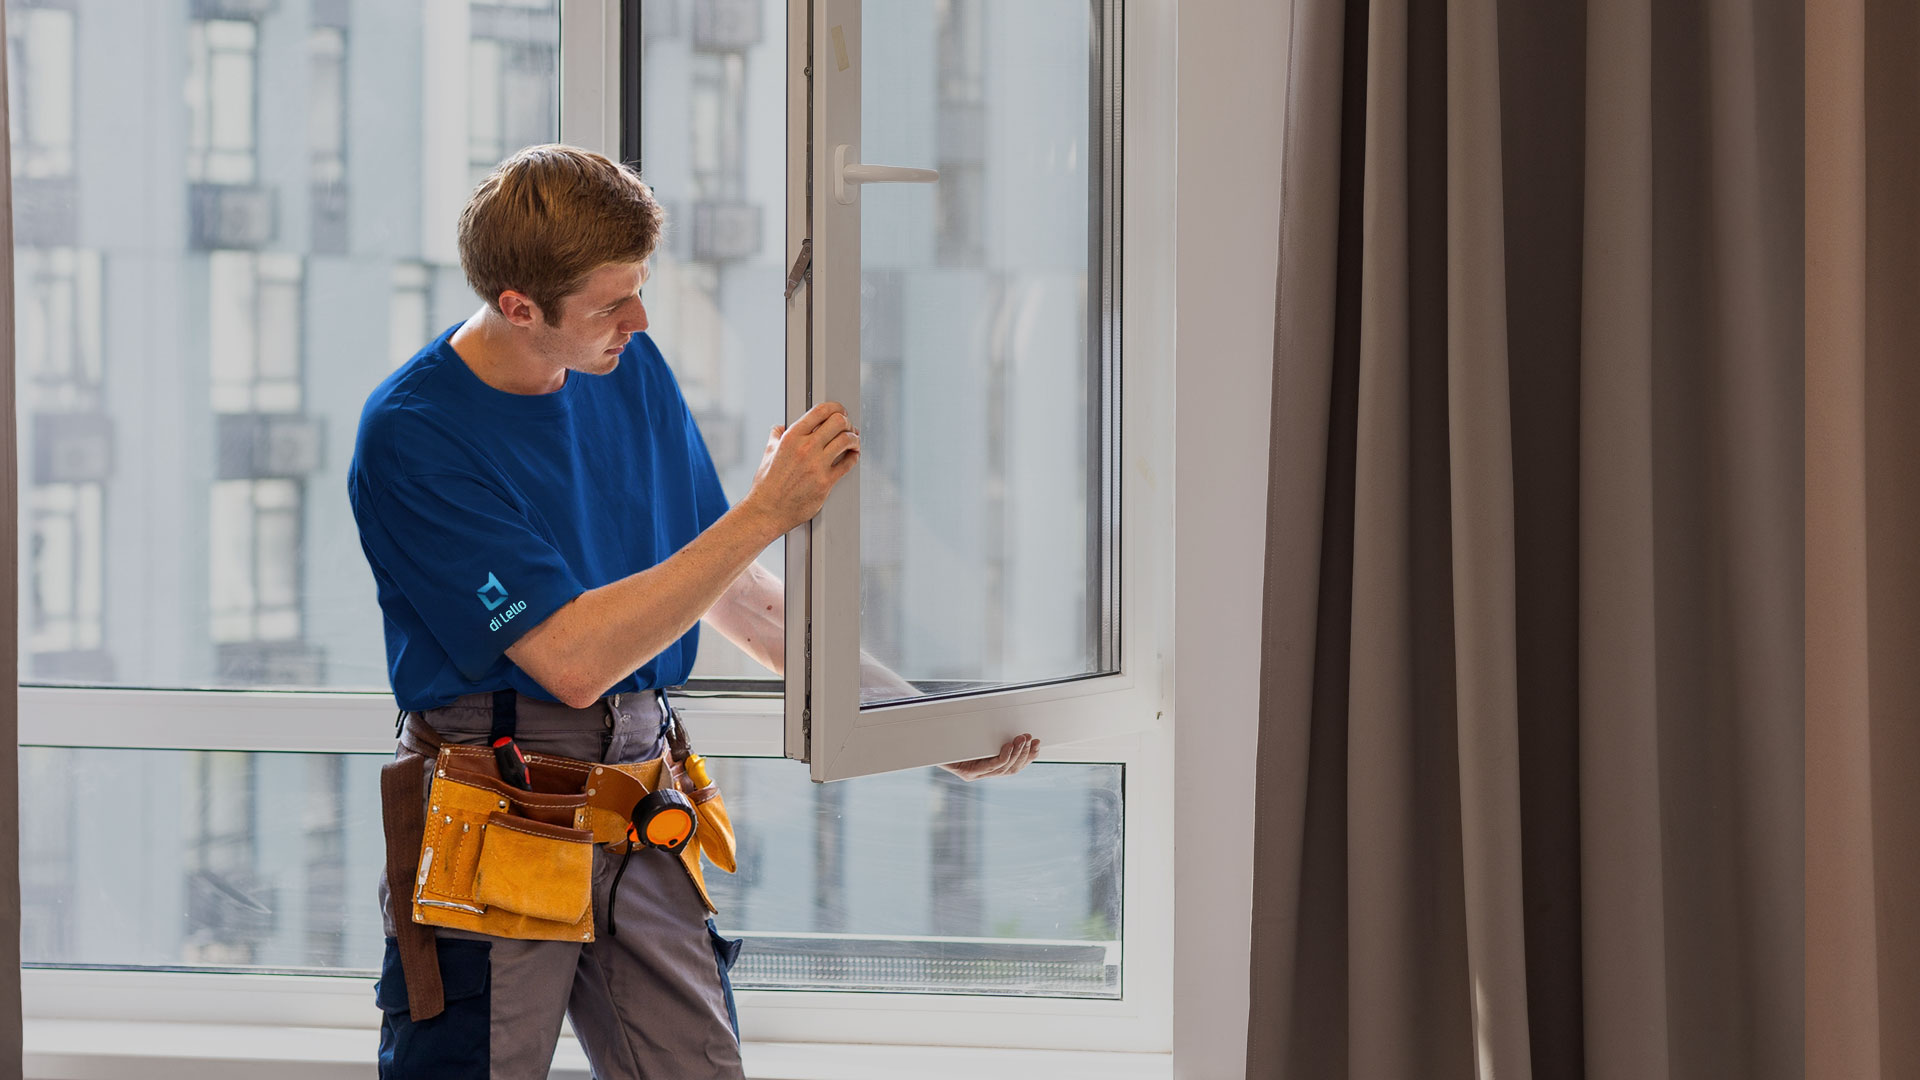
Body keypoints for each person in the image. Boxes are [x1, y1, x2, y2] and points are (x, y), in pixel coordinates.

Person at [347, 145, 1039, 1079]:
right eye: (609, 303)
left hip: (637, 792)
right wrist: (764, 512)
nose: (638, 317)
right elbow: (572, 662)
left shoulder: (625, 368)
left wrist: (910, 719)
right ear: (519, 306)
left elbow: (735, 594)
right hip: (497, 802)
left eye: (639, 288)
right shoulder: (416, 436)